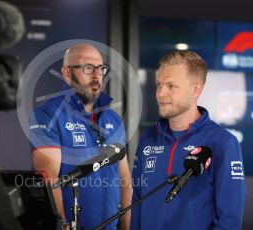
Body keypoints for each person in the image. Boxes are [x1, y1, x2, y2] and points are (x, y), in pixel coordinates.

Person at [130, 50, 246, 230]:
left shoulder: (223, 143)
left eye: (171, 86)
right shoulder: (147, 139)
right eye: (159, 85)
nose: (161, 93)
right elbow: (137, 203)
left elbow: (229, 220)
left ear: (195, 90)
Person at [29, 44, 132, 229]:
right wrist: (62, 225)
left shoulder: (114, 119)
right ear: (67, 73)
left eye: (101, 69)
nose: (96, 76)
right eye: (88, 68)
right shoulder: (49, 114)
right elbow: (49, 177)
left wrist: (126, 226)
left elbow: (124, 178)